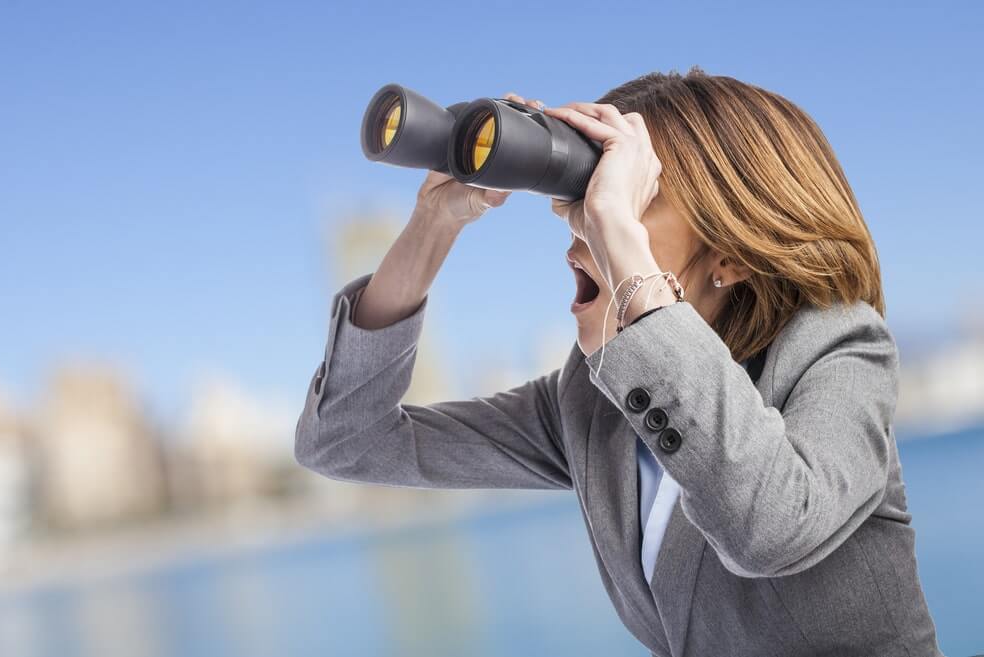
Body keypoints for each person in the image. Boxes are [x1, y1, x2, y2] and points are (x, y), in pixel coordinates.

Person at [295, 67, 943, 656]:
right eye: (581, 198)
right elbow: (347, 441)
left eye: (630, 199)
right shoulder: (589, 402)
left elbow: (766, 528)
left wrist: (619, 241)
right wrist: (434, 222)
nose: (584, 236)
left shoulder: (839, 347)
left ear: (731, 254)